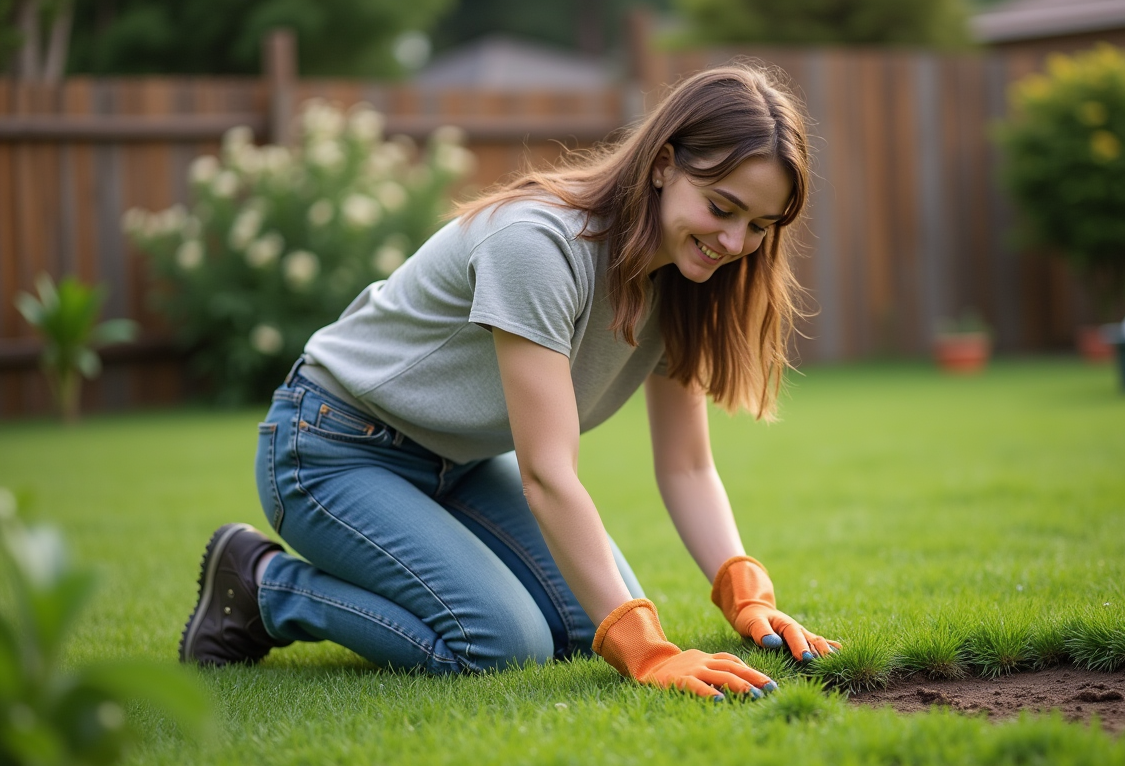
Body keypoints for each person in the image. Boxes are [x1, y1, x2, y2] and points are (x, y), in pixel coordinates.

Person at [179, 63, 839, 700]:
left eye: (758, 226)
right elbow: (548, 473)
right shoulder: (539, 245)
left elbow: (688, 468)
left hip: (455, 465)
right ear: (664, 162)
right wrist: (649, 652)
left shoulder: (686, 285)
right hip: (331, 447)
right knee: (501, 643)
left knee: (588, 628)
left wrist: (747, 595)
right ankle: (266, 588)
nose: (732, 243)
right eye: (722, 207)